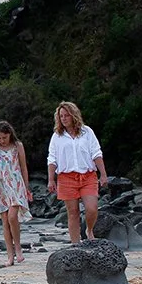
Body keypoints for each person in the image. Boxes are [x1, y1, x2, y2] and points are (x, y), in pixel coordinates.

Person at [46, 101, 108, 243]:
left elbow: (96, 153)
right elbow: (52, 159)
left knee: (91, 208)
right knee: (73, 213)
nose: (64, 118)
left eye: (67, 115)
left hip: (88, 176)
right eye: (61, 116)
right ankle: (75, 244)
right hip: (66, 177)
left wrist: (103, 174)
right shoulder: (57, 136)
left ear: (74, 115)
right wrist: (51, 179)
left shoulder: (87, 132)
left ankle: (89, 230)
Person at [0, 120, 32, 266]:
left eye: (4, 137)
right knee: (5, 220)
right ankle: (10, 256)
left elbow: (23, 167)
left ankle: (18, 247)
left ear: (10, 134)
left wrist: (27, 188)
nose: (2, 140)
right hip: (0, 186)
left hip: (16, 184)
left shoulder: (18, 146)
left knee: (13, 217)